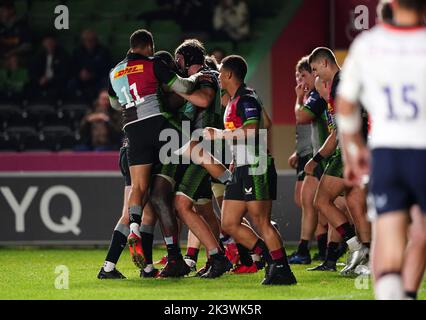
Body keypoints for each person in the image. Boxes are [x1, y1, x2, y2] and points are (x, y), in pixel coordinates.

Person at [336, 0, 426, 299]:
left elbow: (345, 104)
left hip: (387, 154)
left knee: (389, 241)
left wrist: (353, 151)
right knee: (421, 235)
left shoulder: (368, 45)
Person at [204, 55, 296, 285]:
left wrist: (220, 134)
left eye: (220, 73)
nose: (218, 77)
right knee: (229, 223)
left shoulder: (245, 99)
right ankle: (269, 257)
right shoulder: (241, 98)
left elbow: (254, 130)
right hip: (242, 166)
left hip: (256, 166)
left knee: (260, 220)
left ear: (228, 75)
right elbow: (268, 122)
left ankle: (282, 269)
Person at [306, 47, 370, 274]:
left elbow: (340, 130)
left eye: (315, 69)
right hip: (361, 147)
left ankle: (356, 247)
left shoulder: (340, 83)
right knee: (355, 205)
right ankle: (368, 258)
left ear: (324, 63)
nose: (315, 75)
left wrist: (316, 159)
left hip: (350, 150)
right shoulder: (345, 82)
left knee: (321, 200)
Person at [173, 39, 232, 278]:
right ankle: (217, 257)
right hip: (197, 145)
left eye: (180, 60)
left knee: (182, 204)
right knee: (204, 209)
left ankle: (220, 257)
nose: (178, 65)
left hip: (202, 145)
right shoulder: (196, 79)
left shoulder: (205, 75)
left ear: (187, 59)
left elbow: (205, 100)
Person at [97, 137, 159, 279]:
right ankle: (144, 268)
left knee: (142, 214)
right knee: (138, 215)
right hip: (141, 153)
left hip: (127, 149)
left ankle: (111, 267)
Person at [288, 57, 328, 265]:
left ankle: (344, 246)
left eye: (304, 74)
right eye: (298, 75)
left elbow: (302, 117)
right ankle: (315, 250)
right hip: (316, 156)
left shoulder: (317, 96)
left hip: (325, 157)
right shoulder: (314, 94)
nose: (300, 79)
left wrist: (297, 100)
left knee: (337, 205)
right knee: (310, 201)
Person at [69, 29, 112, 101]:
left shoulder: (103, 51)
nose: (88, 42)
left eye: (91, 40)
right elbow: (73, 66)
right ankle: (73, 104)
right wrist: (80, 73)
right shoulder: (77, 51)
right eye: (86, 40)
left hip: (98, 78)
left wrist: (92, 74)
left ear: (95, 40)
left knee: (105, 82)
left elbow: (107, 68)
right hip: (81, 78)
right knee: (71, 83)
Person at [30, 34, 69, 102]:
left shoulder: (63, 55)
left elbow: (64, 73)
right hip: (41, 81)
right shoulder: (38, 56)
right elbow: (33, 72)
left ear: (55, 43)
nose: (49, 45)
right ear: (43, 44)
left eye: (51, 42)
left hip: (56, 82)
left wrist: (50, 79)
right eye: (47, 43)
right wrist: (39, 79)